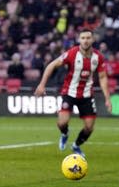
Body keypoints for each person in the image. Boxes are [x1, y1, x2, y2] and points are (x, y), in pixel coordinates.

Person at [34, 29, 112, 157]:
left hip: (87, 95)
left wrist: (107, 98)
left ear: (92, 40)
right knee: (62, 123)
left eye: (88, 38)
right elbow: (51, 65)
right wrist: (42, 85)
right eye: (83, 38)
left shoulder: (98, 57)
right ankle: (65, 133)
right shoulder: (71, 54)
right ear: (79, 39)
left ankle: (76, 145)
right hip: (69, 93)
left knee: (89, 127)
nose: (85, 40)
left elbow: (103, 77)